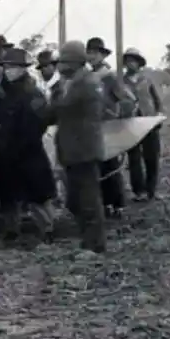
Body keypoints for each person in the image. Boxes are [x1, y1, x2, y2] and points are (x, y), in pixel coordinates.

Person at [0, 47, 56, 247]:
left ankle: (47, 231)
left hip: (27, 152)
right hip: (7, 152)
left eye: (12, 67)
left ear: (22, 68)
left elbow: (40, 122)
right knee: (8, 197)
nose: (8, 71)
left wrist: (22, 144)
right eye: (6, 67)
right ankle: (11, 232)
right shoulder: (7, 92)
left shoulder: (32, 93)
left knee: (37, 195)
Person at [50, 41, 106, 253]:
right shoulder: (73, 82)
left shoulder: (87, 83)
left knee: (88, 201)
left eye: (64, 62)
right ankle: (87, 240)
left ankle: (95, 245)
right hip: (73, 150)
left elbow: (62, 108)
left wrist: (55, 94)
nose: (59, 66)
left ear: (75, 62)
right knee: (75, 201)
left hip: (84, 150)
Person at [86, 37, 136, 218]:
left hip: (110, 127)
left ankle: (118, 204)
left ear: (102, 55)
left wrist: (118, 114)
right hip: (94, 128)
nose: (92, 56)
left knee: (111, 166)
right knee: (98, 166)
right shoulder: (88, 77)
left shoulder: (110, 77)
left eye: (95, 53)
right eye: (89, 53)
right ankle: (105, 203)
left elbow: (129, 100)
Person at [122, 47, 163, 202]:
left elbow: (157, 99)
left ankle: (151, 190)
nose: (130, 63)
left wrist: (159, 115)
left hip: (149, 122)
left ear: (139, 63)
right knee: (134, 159)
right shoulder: (122, 81)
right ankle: (138, 191)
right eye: (128, 61)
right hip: (131, 124)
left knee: (152, 157)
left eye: (134, 61)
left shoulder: (147, 79)